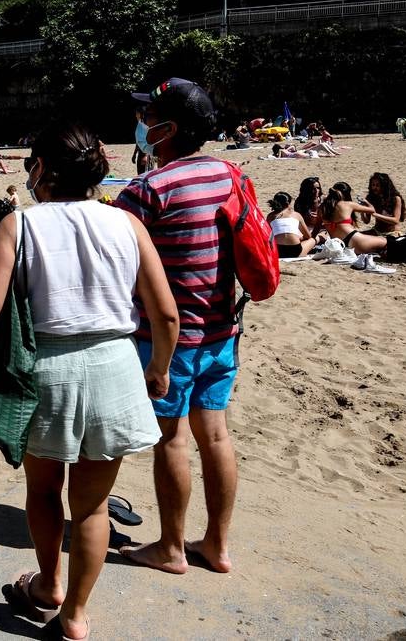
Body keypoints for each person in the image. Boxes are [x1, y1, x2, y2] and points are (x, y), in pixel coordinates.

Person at [0, 122, 177, 641]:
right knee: (90, 506)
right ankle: (76, 617)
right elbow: (166, 314)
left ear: (40, 168)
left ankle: (47, 586)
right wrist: (159, 369)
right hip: (114, 367)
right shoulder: (127, 224)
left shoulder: (19, 225)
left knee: (44, 491)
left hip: (48, 373)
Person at [115, 78, 242, 576]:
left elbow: (114, 262)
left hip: (169, 340)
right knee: (216, 437)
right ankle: (216, 544)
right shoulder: (232, 175)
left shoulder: (150, 189)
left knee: (172, 440)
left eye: (149, 117)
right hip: (221, 333)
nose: (142, 125)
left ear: (166, 128)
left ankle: (170, 547)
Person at [321, 182, 389, 256]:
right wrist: (366, 202)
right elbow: (372, 210)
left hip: (339, 244)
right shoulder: (347, 204)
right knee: (385, 241)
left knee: (379, 245)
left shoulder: (322, 207)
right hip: (354, 239)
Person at [266, 191, 322, 258]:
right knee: (313, 240)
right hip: (294, 250)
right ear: (288, 204)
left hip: (278, 251)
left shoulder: (270, 216)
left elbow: (267, 235)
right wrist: (300, 238)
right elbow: (308, 236)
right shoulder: (296, 215)